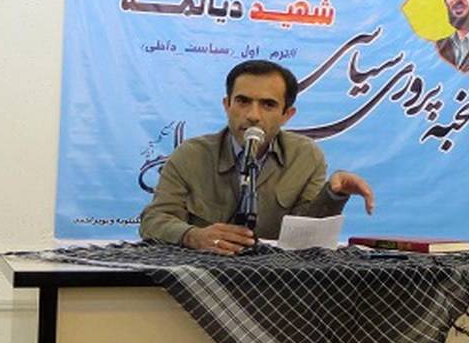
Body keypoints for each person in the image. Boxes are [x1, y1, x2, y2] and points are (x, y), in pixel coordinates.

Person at [139, 60, 374, 254]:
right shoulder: (191, 154)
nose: (253, 115)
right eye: (243, 101)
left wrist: (333, 194)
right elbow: (154, 219)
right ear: (227, 105)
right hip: (202, 272)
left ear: (287, 115)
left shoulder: (306, 156)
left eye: (268, 105)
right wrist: (192, 236)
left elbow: (306, 232)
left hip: (275, 278)